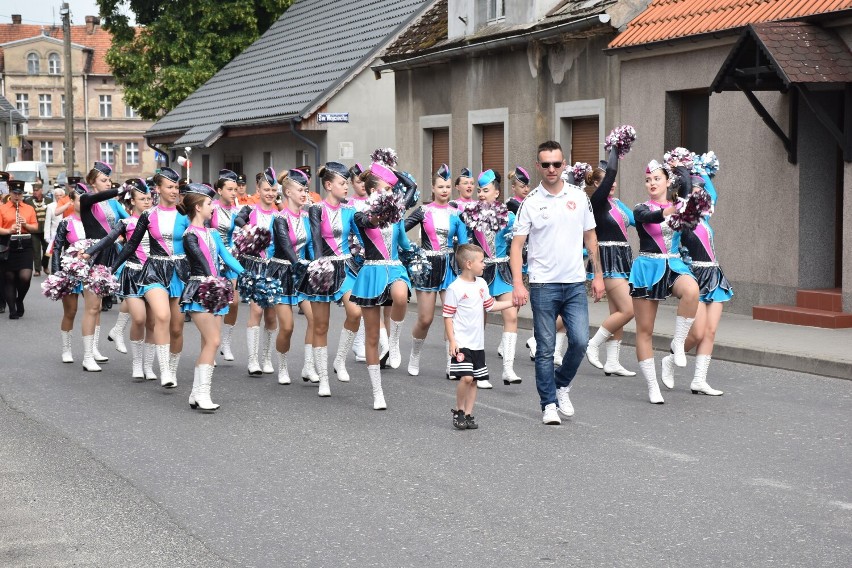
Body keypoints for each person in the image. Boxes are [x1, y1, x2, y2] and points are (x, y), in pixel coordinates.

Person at [510, 140, 605, 425]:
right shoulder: (531, 203)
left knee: (579, 342)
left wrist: (598, 275)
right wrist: (518, 283)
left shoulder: (579, 196)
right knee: (546, 347)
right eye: (546, 164)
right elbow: (517, 247)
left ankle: (562, 383)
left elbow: (591, 237)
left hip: (575, 282)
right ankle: (548, 403)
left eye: (556, 163)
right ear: (538, 166)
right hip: (543, 284)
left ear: (564, 165)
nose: (551, 169)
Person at [89, 166, 189, 388]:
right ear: (158, 189)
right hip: (154, 271)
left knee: (176, 327)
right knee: (160, 317)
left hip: (179, 273)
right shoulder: (148, 215)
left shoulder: (184, 215)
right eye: (170, 187)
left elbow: (196, 242)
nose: (174, 191)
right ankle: (164, 372)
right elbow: (131, 244)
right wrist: (112, 268)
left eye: (176, 187)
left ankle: (171, 368)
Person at [628, 159, 699, 404]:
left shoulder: (678, 206)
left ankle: (678, 344)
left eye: (657, 178)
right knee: (645, 330)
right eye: (648, 180)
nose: (652, 183)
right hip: (648, 267)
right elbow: (650, 217)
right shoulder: (640, 208)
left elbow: (688, 234)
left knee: (692, 290)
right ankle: (652, 385)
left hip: (674, 264)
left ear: (668, 182)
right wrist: (670, 211)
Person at [348, 162, 416, 409]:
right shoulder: (359, 214)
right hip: (371, 270)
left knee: (400, 296)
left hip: (394, 265)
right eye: (387, 188)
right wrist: (384, 209)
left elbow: (405, 242)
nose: (391, 192)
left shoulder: (396, 215)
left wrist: (418, 255)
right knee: (373, 335)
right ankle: (377, 391)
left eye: (391, 188)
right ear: (374, 190)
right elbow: (370, 223)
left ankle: (395, 341)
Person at [661, 171, 730, 396]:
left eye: (701, 189)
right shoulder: (681, 220)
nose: (700, 192)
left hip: (714, 275)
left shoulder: (705, 216)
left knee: (710, 331)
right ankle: (670, 360)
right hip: (695, 277)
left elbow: (713, 194)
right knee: (698, 332)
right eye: (695, 189)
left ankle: (699, 380)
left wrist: (696, 169)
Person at [179, 184, 245, 411]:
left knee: (210, 343)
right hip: (200, 289)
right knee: (213, 341)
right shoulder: (189, 236)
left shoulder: (213, 233)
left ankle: (196, 393)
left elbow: (227, 257)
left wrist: (248, 274)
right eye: (209, 204)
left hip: (216, 288)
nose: (213, 208)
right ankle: (203, 394)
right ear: (198, 207)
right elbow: (202, 262)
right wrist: (214, 280)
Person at [301, 162, 362, 398]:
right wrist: (319, 266)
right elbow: (316, 239)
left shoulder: (350, 211)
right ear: (328, 185)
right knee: (321, 325)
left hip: (345, 267)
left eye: (347, 183)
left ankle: (339, 360)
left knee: (355, 312)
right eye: (342, 183)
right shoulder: (316, 209)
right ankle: (323, 379)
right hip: (323, 267)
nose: (346, 187)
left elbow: (362, 236)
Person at [404, 163, 468, 376]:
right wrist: (411, 251)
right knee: (426, 318)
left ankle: (452, 362)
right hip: (428, 268)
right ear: (432, 188)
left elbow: (465, 244)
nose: (444, 190)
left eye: (448, 186)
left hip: (449, 266)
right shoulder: (423, 211)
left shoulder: (456, 213)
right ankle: (415, 354)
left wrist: (468, 267)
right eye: (440, 186)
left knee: (452, 316)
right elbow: (400, 230)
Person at [444, 243, 515, 430]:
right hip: (462, 343)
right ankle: (458, 410)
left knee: (475, 380)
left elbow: (490, 306)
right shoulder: (455, 288)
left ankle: (468, 414)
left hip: (477, 343)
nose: (485, 264)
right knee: (466, 378)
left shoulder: (482, 284)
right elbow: (448, 316)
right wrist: (452, 340)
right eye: (481, 261)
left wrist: (511, 302)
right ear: (469, 264)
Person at [584, 147, 637, 377]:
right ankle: (593, 343)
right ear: (597, 184)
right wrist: (616, 147)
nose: (611, 183)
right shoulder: (596, 200)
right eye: (605, 180)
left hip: (624, 259)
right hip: (608, 261)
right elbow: (612, 174)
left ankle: (613, 361)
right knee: (629, 309)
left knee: (617, 311)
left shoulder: (617, 204)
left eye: (611, 179)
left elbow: (638, 220)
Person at [467, 169, 521, 388]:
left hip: (503, 271)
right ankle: (478, 369)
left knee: (511, 315)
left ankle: (508, 368)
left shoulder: (509, 216)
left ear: (497, 193)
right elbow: (465, 244)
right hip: (480, 274)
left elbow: (516, 244)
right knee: (479, 321)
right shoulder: (470, 214)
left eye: (485, 190)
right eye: (479, 190)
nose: (481, 194)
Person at [270, 169, 316, 385]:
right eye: (300, 190)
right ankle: (282, 365)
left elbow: (312, 247)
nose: (304, 194)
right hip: (282, 272)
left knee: (315, 320)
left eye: (305, 190)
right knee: (287, 327)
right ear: (287, 192)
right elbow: (287, 247)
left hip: (303, 272)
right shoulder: (280, 219)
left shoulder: (307, 217)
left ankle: (308, 366)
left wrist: (318, 266)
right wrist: (299, 266)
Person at [79, 162, 129, 362]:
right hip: (93, 254)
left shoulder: (114, 204)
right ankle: (87, 355)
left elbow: (131, 220)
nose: (108, 183)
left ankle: (94, 348)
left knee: (98, 306)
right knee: (91, 306)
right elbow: (99, 196)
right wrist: (120, 189)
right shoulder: (86, 199)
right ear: (92, 182)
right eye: (103, 180)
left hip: (111, 254)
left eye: (109, 180)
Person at [234, 168, 279, 376]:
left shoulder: (280, 215)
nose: (270, 193)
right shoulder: (250, 210)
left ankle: (267, 357)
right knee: (256, 311)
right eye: (266, 189)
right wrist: (248, 232)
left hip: (273, 266)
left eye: (273, 190)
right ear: (258, 190)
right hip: (253, 264)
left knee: (271, 315)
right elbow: (238, 220)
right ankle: (253, 360)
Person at [49, 185, 87, 364]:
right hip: (71, 269)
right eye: (80, 199)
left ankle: (91, 350)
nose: (84, 203)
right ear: (72, 201)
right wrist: (57, 274)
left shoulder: (94, 221)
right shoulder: (66, 222)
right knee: (71, 311)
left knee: (93, 310)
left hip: (92, 270)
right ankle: (67, 349)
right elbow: (57, 248)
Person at [211, 170, 242, 361]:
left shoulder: (237, 210)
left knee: (234, 302)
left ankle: (226, 342)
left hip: (230, 257)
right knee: (215, 302)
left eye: (235, 189)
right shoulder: (211, 207)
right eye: (229, 189)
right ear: (219, 190)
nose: (233, 193)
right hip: (213, 256)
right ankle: (212, 345)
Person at [0, 180, 38, 319]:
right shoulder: (2, 208)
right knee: (9, 277)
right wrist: (9, 229)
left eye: (20, 194)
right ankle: (12, 310)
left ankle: (19, 299)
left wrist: (25, 224)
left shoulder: (29, 208)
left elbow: (35, 227)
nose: (17, 196)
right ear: (10, 192)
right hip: (8, 243)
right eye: (15, 193)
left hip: (25, 243)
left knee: (25, 277)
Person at [24, 179, 52, 276]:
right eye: (34, 190)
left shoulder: (49, 200)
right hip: (34, 229)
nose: (35, 192)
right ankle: (37, 269)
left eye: (37, 190)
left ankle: (45, 266)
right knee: (36, 250)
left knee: (47, 249)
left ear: (41, 190)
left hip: (46, 229)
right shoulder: (28, 201)